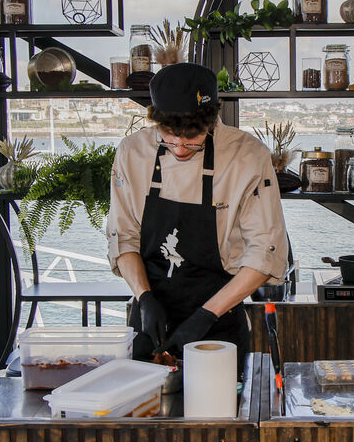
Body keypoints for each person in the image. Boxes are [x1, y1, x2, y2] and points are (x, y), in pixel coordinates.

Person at [106, 63, 289, 366]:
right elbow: (123, 238)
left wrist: (205, 315)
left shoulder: (246, 157)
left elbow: (264, 253)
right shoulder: (131, 152)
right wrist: (145, 299)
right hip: (150, 321)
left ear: (212, 120)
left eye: (192, 136)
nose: (178, 148)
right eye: (168, 134)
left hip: (220, 323)